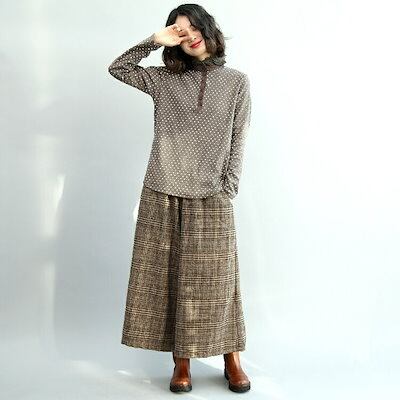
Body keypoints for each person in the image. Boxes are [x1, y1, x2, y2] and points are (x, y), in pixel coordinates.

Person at [108, 4, 251, 393]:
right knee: (168, 279)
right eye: (179, 30)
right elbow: (119, 68)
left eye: (193, 27)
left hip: (212, 192)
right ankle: (181, 361)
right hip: (163, 188)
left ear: (208, 29)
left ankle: (232, 358)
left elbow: (238, 136)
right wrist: (154, 41)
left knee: (219, 282)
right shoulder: (162, 80)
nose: (189, 35)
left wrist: (229, 185)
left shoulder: (236, 82)